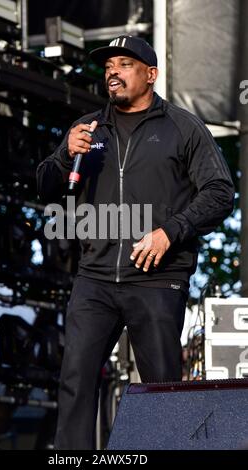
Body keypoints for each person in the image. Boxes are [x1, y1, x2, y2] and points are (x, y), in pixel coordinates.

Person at [36, 35, 235, 450]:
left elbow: (219, 192)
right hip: (95, 278)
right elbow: (46, 188)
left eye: (125, 64)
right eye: (109, 66)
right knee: (74, 380)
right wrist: (61, 156)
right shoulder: (88, 129)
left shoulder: (183, 128)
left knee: (162, 388)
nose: (113, 71)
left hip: (157, 279)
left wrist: (170, 232)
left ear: (151, 74)